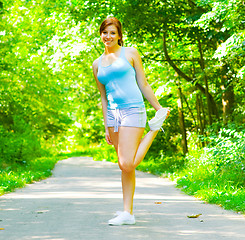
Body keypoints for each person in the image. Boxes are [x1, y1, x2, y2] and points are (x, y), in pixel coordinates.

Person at [92, 17, 170, 226]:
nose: (108, 36)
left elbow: (143, 84)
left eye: (112, 33)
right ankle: (128, 212)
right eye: (105, 32)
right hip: (114, 116)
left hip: (133, 110)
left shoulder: (130, 53)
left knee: (127, 162)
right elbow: (103, 97)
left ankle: (154, 128)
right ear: (101, 34)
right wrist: (106, 124)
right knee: (125, 167)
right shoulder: (97, 64)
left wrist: (158, 108)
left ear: (119, 35)